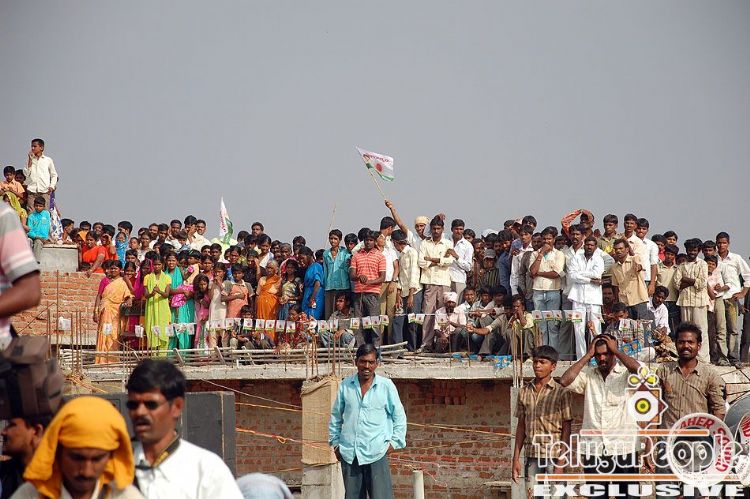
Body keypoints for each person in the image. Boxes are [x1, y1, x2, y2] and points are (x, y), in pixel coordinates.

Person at [126, 359, 243, 498]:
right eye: (133, 405)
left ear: (177, 407)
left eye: (151, 404)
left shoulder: (206, 471)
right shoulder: (115, 466)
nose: (140, 412)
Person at [560, 334, 642, 499]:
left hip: (624, 447)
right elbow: (564, 381)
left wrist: (616, 351)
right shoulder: (589, 375)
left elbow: (641, 371)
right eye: (598, 355)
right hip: (594, 449)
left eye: (606, 353)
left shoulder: (625, 374)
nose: (602, 358)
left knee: (628, 496)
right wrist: (587, 355)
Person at [13, 396, 141, 499]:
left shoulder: (125, 496)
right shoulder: (30, 495)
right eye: (77, 458)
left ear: (111, 456)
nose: (86, 471)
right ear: (58, 451)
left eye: (97, 459)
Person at [329, 344, 406, 499]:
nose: (366, 366)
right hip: (350, 454)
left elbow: (399, 417)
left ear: (377, 363)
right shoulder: (346, 386)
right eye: (363, 361)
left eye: (371, 362)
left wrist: (394, 443)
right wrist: (335, 444)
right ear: (356, 362)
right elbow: (335, 417)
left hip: (377, 453)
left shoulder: (386, 386)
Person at [512, 346, 572, 498]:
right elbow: (521, 427)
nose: (537, 365)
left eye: (542, 362)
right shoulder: (524, 391)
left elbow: (567, 428)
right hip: (532, 456)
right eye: (535, 362)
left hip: (554, 455)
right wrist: (516, 459)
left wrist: (561, 461)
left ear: (553, 366)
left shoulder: (561, 392)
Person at [417, 217, 454, 353]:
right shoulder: (425, 243)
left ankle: (441, 345)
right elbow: (421, 262)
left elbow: (449, 261)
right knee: (428, 314)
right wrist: (440, 261)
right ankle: (426, 344)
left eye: (438, 228)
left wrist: (431, 260)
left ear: (442, 229)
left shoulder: (447, 243)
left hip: (444, 282)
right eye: (434, 229)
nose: (436, 231)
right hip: (430, 282)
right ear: (431, 229)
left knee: (443, 315)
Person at [567, 235, 605, 359]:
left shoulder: (599, 259)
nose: (589, 247)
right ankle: (581, 358)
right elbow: (572, 275)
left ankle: (598, 356)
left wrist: (581, 274)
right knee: (578, 329)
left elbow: (597, 274)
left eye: (592, 245)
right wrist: (590, 280)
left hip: (594, 298)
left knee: (595, 328)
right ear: (584, 245)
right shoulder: (576, 258)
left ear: (595, 247)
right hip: (578, 297)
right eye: (587, 244)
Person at [673, 238, 709, 362]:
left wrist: (686, 280)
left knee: (701, 330)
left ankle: (703, 359)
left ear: (698, 251)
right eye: (690, 250)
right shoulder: (682, 265)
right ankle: (687, 357)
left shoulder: (702, 264)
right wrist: (693, 281)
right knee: (686, 331)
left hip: (699, 301)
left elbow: (702, 283)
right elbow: (677, 284)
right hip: (685, 301)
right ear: (686, 250)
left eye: (694, 250)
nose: (692, 252)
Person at [530, 228, 565, 350]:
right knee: (541, 326)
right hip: (538, 292)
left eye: (549, 238)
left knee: (553, 325)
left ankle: (553, 353)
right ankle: (543, 353)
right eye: (544, 239)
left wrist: (539, 273)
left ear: (554, 239)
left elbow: (556, 274)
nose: (546, 241)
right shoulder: (535, 254)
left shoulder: (559, 254)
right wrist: (541, 254)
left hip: (553, 292)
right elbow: (532, 272)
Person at [350, 230, 386, 347]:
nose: (368, 242)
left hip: (373, 293)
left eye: (371, 240)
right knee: (358, 323)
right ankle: (361, 348)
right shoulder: (356, 255)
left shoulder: (380, 256)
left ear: (375, 241)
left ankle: (376, 349)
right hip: (358, 293)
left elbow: (382, 277)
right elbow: (352, 275)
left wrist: (369, 282)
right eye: (366, 240)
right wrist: (359, 277)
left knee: (374, 323)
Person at [0, 415, 50, 499]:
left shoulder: (62, 480)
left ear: (37, 431)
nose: (3, 432)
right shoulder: (5, 474)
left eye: (11, 425)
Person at [94, 261, 133, 363]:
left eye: (115, 268)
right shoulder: (105, 281)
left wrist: (129, 300)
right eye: (111, 268)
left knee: (114, 334)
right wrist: (95, 311)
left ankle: (112, 359)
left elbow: (128, 295)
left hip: (116, 312)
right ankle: (102, 359)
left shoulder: (122, 282)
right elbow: (99, 295)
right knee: (104, 332)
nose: (113, 270)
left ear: (120, 270)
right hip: (105, 310)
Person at [392, 230, 421, 350]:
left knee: (412, 322)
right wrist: (398, 293)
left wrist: (411, 295)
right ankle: (398, 349)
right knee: (397, 321)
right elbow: (401, 276)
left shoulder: (412, 252)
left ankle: (412, 348)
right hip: (403, 293)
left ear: (396, 242)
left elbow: (414, 274)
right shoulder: (401, 255)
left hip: (414, 293)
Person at [610, 238, 650, 320]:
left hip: (639, 300)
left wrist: (638, 267)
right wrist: (617, 303)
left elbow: (639, 265)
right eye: (616, 249)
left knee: (641, 325)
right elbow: (616, 286)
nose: (618, 251)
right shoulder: (614, 267)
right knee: (626, 326)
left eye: (621, 248)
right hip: (624, 302)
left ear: (627, 249)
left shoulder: (635, 259)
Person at [144, 256, 172, 354]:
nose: (157, 266)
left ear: (162, 265)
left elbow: (166, 295)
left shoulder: (167, 277)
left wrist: (159, 291)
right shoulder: (147, 277)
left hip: (163, 308)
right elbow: (146, 295)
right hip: (151, 307)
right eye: (155, 265)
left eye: (159, 264)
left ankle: (162, 356)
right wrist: (152, 294)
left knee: (163, 330)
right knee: (151, 330)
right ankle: (153, 356)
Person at [323, 229, 351, 319]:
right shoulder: (326, 254)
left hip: (343, 286)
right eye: (331, 238)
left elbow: (348, 269)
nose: (333, 241)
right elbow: (326, 271)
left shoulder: (345, 252)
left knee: (342, 311)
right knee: (329, 312)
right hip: (330, 286)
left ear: (340, 240)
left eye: (335, 239)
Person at [22, 139, 57, 211]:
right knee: (31, 212)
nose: (32, 148)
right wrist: (30, 160)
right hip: (32, 191)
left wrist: (52, 186)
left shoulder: (48, 160)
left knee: (45, 213)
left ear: (41, 148)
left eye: (35, 146)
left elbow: (54, 175)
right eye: (32, 146)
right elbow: (26, 174)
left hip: (44, 191)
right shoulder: (30, 160)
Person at [448, 218, 473, 303]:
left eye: (461, 229)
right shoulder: (445, 239)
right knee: (444, 305)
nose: (458, 231)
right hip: (445, 278)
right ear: (452, 229)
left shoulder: (467, 245)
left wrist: (457, 257)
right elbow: (428, 234)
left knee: (456, 306)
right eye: (456, 229)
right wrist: (437, 218)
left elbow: (468, 267)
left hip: (459, 279)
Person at [299, 246, 325, 320]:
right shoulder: (309, 267)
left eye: (302, 258)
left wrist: (312, 298)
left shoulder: (316, 266)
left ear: (309, 256)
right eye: (300, 259)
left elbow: (317, 283)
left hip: (315, 296)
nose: (301, 260)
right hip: (308, 295)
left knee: (312, 319)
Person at [25, 196, 50, 263]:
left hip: (44, 238)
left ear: (44, 206)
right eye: (36, 206)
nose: (38, 207)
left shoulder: (46, 214)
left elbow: (48, 226)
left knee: (38, 242)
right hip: (34, 237)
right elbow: (30, 231)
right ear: (34, 205)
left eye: (40, 206)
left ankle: (35, 262)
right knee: (32, 241)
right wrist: (36, 237)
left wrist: (47, 237)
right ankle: (31, 262)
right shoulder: (31, 216)